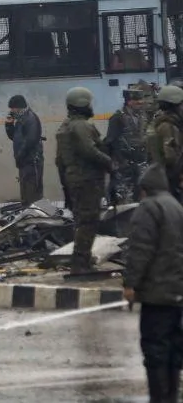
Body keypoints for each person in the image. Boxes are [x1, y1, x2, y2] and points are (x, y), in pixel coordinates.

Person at [124, 164, 183, 403]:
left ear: (145, 189)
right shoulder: (177, 207)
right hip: (177, 294)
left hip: (156, 295)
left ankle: (159, 400)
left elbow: (140, 251)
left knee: (155, 349)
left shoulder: (149, 208)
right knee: (173, 350)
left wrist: (130, 284)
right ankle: (171, 397)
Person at [55, 87, 113, 274]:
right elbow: (89, 151)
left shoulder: (65, 126)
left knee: (81, 221)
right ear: (83, 104)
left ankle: (82, 260)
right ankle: (81, 264)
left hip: (74, 179)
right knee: (88, 221)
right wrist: (110, 163)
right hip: (87, 178)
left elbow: (60, 161)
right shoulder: (81, 126)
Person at [106, 88, 149, 204]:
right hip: (124, 164)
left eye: (141, 99)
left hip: (140, 162)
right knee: (124, 197)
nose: (140, 102)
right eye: (136, 100)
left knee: (142, 194)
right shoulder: (118, 117)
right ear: (128, 101)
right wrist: (119, 161)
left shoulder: (143, 116)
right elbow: (111, 141)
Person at [4, 95, 44, 207]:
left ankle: (37, 218)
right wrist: (9, 125)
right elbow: (15, 138)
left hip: (32, 161)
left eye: (12, 108)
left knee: (33, 194)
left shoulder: (30, 118)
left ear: (19, 107)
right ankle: (29, 217)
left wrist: (20, 155)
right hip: (24, 162)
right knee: (26, 194)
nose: (11, 111)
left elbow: (31, 140)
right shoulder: (21, 120)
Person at [148, 85, 183, 199]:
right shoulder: (168, 125)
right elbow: (171, 157)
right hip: (172, 179)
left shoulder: (163, 122)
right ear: (174, 105)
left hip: (164, 176)